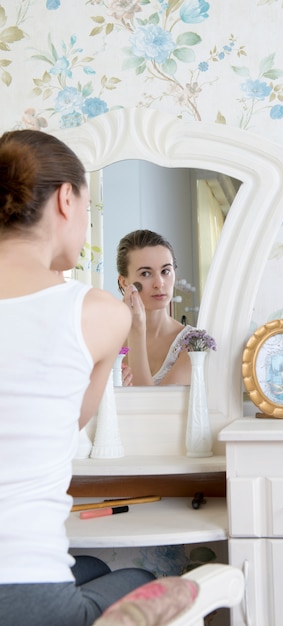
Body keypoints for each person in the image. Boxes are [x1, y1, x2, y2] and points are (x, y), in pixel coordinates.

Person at [0, 129, 155, 626]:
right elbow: (75, 421)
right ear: (66, 198)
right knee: (141, 581)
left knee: (86, 565)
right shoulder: (97, 313)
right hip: (22, 594)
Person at [116, 229, 193, 386]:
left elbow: (153, 407)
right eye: (145, 273)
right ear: (124, 282)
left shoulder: (193, 344)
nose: (159, 284)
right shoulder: (107, 339)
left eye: (165, 271)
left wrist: (136, 331)